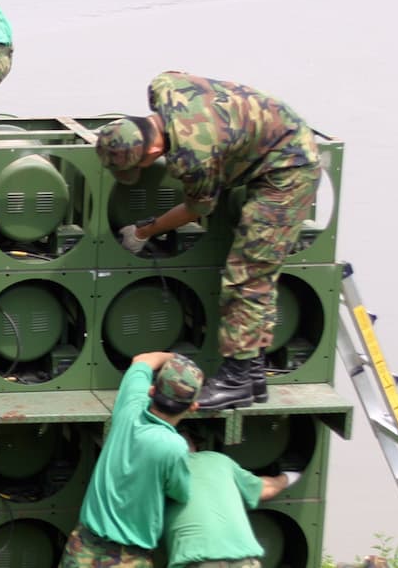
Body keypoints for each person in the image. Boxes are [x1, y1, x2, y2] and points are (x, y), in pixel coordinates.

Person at [94, 71, 321, 410]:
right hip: (279, 133)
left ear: (154, 147)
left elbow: (197, 208)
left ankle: (238, 380)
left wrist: (144, 231)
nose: (152, 163)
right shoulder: (162, 88)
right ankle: (255, 375)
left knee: (248, 274)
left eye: (145, 161)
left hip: (288, 172)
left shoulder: (192, 157)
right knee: (252, 270)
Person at [61, 352, 201, 567]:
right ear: (193, 407)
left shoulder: (131, 406)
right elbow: (180, 493)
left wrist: (175, 358)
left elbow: (142, 360)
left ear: (152, 390)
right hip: (128, 559)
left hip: (82, 547)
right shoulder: (174, 447)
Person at [162, 442, 300, 568]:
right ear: (194, 446)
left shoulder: (162, 470)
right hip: (243, 561)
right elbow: (266, 489)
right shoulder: (218, 460)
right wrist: (288, 477)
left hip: (197, 562)